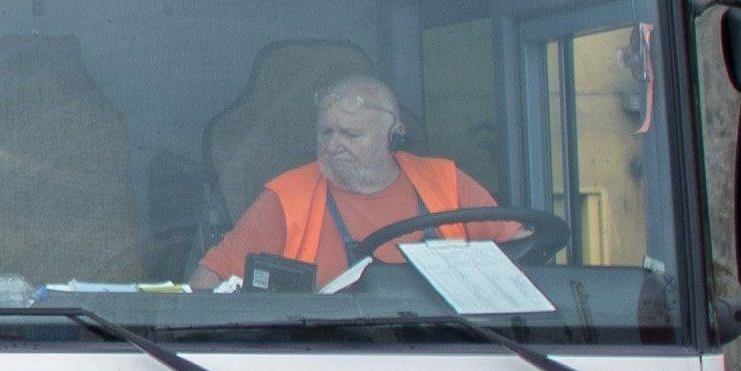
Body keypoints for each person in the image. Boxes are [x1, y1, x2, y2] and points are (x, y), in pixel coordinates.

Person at [192, 74, 520, 287]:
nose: (333, 145)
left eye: (350, 134)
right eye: (326, 132)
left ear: (394, 137)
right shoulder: (286, 197)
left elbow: (522, 252)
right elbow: (209, 278)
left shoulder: (446, 182)